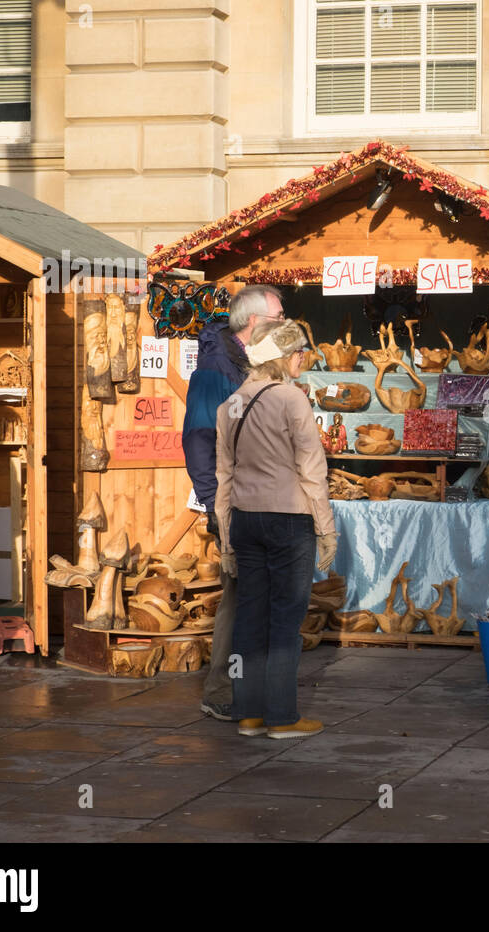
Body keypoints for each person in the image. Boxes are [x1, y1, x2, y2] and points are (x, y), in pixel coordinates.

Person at [214, 319, 337, 740]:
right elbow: (311, 469)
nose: (303, 357)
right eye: (298, 352)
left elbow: (223, 476)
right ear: (281, 359)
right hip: (289, 518)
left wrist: (226, 537)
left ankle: (248, 712)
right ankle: (282, 718)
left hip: (246, 520)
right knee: (286, 619)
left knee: (250, 616)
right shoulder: (291, 399)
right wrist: (326, 528)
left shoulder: (229, 404)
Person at [183, 285, 285, 721]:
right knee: (240, 594)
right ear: (255, 322)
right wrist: (213, 503)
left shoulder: (258, 362)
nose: (285, 322)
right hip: (235, 502)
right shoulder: (215, 369)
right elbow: (199, 440)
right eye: (280, 315)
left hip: (266, 497)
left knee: (262, 594)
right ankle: (221, 689)